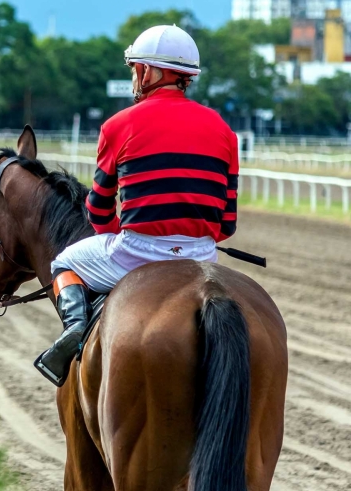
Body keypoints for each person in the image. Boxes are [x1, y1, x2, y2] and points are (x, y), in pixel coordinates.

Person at [34, 25, 239, 387]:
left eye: (135, 69)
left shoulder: (118, 125)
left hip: (137, 253)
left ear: (147, 72)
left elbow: (98, 213)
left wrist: (123, 233)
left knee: (62, 262)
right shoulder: (224, 130)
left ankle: (75, 330)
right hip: (202, 257)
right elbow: (227, 225)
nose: (133, 77)